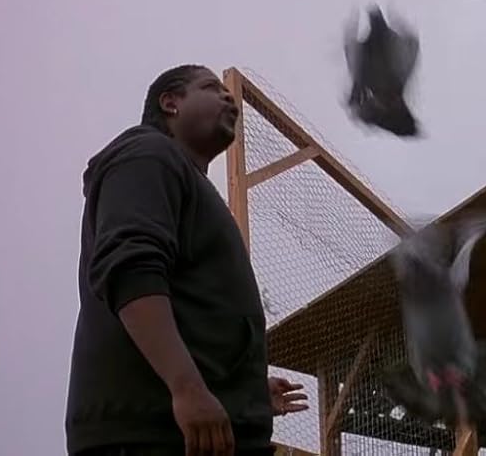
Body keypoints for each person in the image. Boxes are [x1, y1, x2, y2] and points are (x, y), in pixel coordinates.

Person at [65, 65, 308, 456]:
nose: (229, 98)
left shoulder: (188, 181)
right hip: (152, 436)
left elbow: (193, 312)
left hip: (197, 433)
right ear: (170, 103)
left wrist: (243, 392)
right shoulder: (148, 154)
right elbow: (132, 271)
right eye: (211, 88)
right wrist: (187, 387)